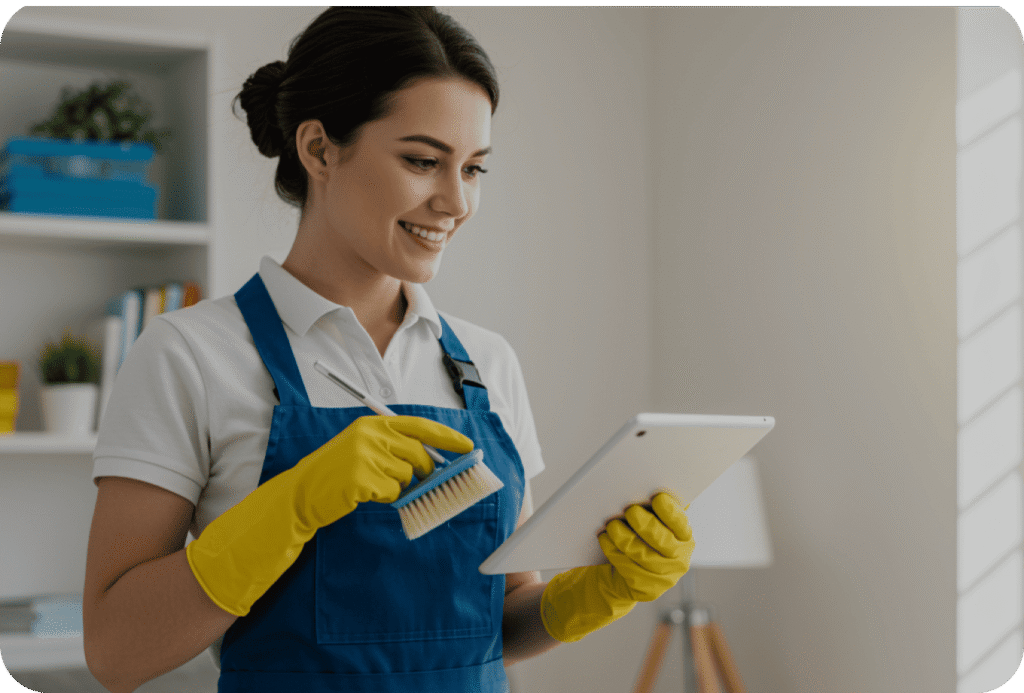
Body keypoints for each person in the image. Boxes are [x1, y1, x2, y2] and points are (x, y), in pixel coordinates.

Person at [82, 7, 695, 693]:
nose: (456, 201)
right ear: (319, 149)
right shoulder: (191, 356)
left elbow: (496, 619)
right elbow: (114, 652)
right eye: (423, 161)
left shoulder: (487, 365)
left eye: (474, 168)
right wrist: (293, 505)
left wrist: (595, 593)